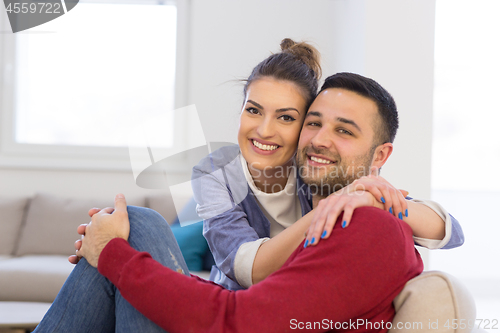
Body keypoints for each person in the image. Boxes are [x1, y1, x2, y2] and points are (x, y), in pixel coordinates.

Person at [34, 72, 462, 332]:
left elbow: (236, 319)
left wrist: (112, 255)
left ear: (380, 158)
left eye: (345, 131)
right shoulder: (315, 197)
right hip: (238, 306)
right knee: (134, 225)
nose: (319, 140)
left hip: (233, 317)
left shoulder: (372, 221)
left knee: (133, 231)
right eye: (314, 123)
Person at [191, 41, 463, 290]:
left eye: (286, 117)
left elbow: (450, 232)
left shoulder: (318, 168)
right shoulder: (216, 172)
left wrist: (371, 198)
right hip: (233, 306)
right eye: (253, 110)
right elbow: (248, 270)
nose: (264, 130)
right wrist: (338, 202)